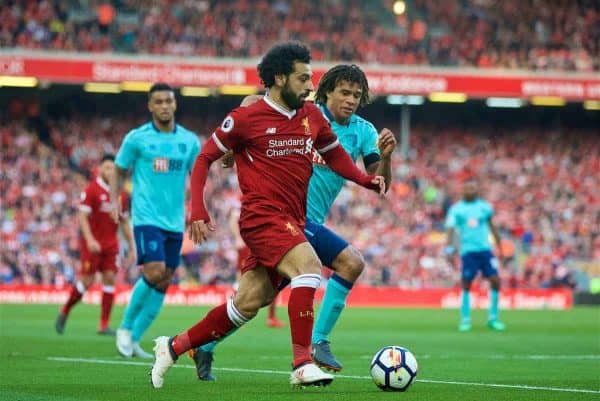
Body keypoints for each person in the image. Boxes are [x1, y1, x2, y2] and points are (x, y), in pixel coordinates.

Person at [149, 42, 385, 389]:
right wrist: (197, 208)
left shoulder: (311, 117)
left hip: (294, 221)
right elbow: (203, 159)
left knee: (246, 303)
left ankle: (173, 346)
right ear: (278, 78)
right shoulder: (245, 118)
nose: (309, 86)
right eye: (303, 78)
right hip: (262, 218)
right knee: (308, 269)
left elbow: (335, 157)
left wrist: (366, 179)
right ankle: (303, 361)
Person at [110, 83, 200, 358]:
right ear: (150, 106)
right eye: (158, 101)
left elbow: (197, 179)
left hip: (174, 221)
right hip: (146, 217)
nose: (164, 106)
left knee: (165, 280)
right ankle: (125, 328)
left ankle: (135, 340)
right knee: (154, 271)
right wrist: (115, 199)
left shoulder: (189, 141)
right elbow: (118, 169)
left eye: (168, 101)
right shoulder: (136, 138)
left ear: (175, 104)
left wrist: (198, 211)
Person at [55, 154, 135, 335]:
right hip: (92, 245)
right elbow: (82, 216)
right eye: (106, 167)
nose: (110, 171)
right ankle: (65, 310)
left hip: (111, 245)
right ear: (100, 169)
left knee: (109, 280)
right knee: (87, 281)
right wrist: (90, 239)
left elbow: (123, 222)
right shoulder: (92, 190)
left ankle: (104, 325)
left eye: (112, 168)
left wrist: (132, 246)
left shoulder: (121, 194)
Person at [445, 178, 506, 332]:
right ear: (463, 191)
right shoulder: (456, 209)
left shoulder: (485, 207)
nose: (470, 190)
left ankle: (493, 318)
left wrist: (500, 247)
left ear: (477, 190)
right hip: (468, 251)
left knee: (495, 280)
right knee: (466, 283)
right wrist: (449, 250)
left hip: (485, 250)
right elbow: (451, 231)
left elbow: (493, 227)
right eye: (467, 188)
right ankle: (465, 320)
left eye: (472, 188)